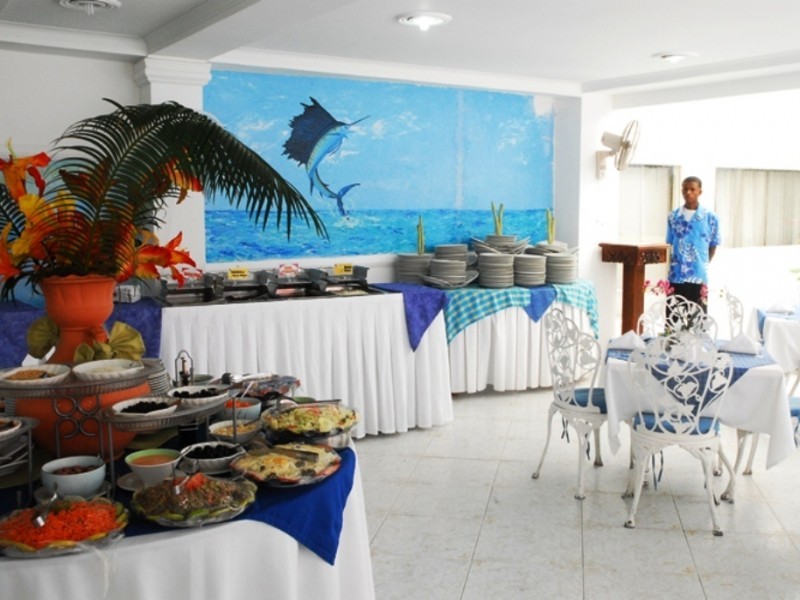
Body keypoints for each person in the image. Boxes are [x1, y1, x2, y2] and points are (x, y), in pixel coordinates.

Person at [666, 176, 720, 310]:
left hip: (698, 276)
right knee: (674, 316)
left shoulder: (711, 217)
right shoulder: (673, 216)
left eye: (692, 189)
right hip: (676, 276)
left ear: (700, 192)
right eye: (685, 189)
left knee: (697, 317)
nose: (688, 192)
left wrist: (701, 263)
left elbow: (713, 245)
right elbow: (670, 243)